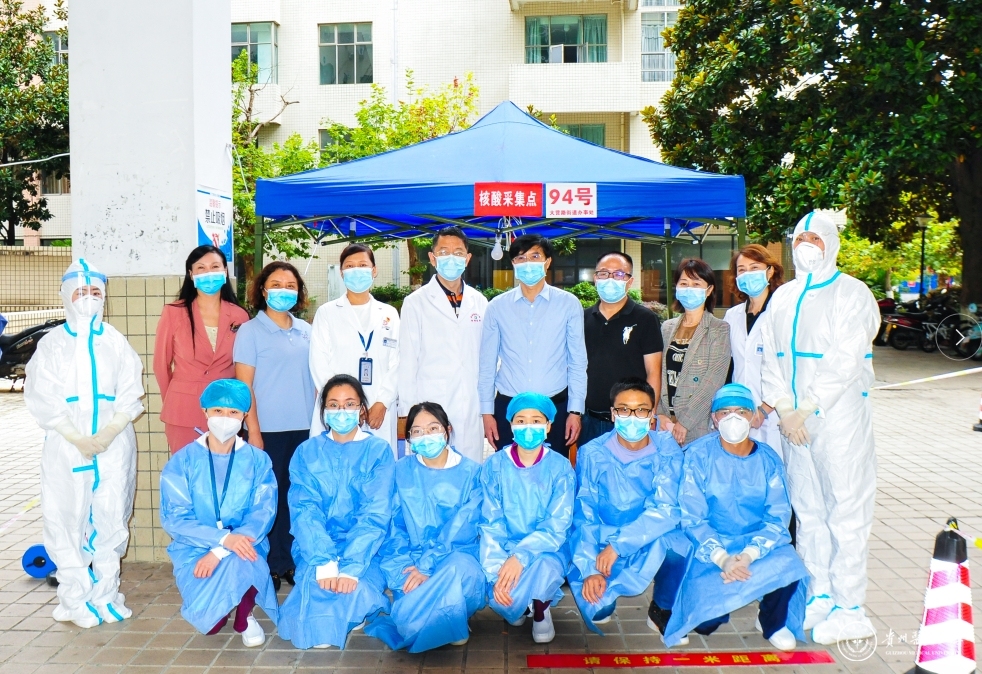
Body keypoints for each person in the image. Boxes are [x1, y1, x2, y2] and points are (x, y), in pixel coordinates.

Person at [760, 211, 880, 644]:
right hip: (794, 423)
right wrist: (785, 407)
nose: (806, 245)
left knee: (845, 510)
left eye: (815, 238)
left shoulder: (852, 293)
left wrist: (807, 407)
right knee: (808, 510)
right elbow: (769, 355)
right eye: (799, 238)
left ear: (831, 243)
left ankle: (850, 607)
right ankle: (820, 593)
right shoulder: (784, 296)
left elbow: (845, 359)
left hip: (837, 418)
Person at [24, 259, 144, 628]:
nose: (89, 298)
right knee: (66, 519)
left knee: (112, 518)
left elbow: (130, 390)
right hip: (66, 445)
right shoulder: (52, 344)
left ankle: (106, 594)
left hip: (114, 445)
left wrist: (110, 431)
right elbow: (41, 394)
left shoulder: (115, 341)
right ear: (66, 296)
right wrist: (75, 436)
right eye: (81, 292)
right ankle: (74, 599)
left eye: (95, 292)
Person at [662, 384, 808, 651]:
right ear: (714, 418)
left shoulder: (768, 460)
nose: (733, 418)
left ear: (753, 417)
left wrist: (749, 554)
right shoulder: (697, 456)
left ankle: (771, 621)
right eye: (725, 412)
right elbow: (692, 518)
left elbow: (777, 517)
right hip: (709, 548)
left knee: (789, 564)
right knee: (706, 624)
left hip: (756, 545)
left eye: (741, 411)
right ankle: (726, 594)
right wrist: (723, 558)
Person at [278, 375, 395, 650]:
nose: (342, 411)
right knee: (318, 588)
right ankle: (341, 612)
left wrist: (351, 567)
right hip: (316, 546)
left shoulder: (378, 451)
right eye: (334, 404)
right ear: (324, 411)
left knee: (352, 587)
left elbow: (375, 513)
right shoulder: (307, 452)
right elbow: (304, 510)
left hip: (368, 550)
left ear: (361, 409)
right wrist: (324, 561)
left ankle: (354, 606)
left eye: (350, 404)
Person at [159, 379, 278, 647]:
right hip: (195, 547)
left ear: (244, 415)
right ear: (205, 411)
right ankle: (224, 605)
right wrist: (221, 540)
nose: (225, 418)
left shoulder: (257, 460)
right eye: (218, 410)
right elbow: (175, 518)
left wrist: (223, 549)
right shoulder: (182, 461)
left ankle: (245, 615)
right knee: (211, 626)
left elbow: (262, 513)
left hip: (246, 542)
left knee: (244, 558)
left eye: (233, 412)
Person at [569, 378, 689, 638]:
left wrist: (619, 546)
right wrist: (589, 569)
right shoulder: (592, 454)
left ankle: (661, 609)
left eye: (641, 410)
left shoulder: (667, 451)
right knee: (598, 609)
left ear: (652, 415)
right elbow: (584, 515)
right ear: (613, 414)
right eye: (624, 409)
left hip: (648, 538)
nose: (632, 417)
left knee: (678, 545)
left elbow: (666, 509)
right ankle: (604, 592)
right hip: (602, 540)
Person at [366, 402, 485, 652]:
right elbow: (393, 527)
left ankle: (447, 616)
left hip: (456, 557)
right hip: (410, 561)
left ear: (447, 430)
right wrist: (406, 566)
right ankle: (448, 617)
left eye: (433, 428)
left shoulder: (473, 473)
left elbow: (462, 529)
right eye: (417, 431)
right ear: (409, 438)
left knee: (460, 573)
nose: (426, 436)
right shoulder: (400, 471)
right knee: (409, 620)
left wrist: (427, 566)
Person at [234, 261, 315, 591]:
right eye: (277, 285)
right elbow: (245, 386)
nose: (284, 291)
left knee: (298, 497)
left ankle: (292, 559)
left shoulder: (307, 330)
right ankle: (272, 563)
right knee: (271, 498)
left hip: (306, 428)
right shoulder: (250, 331)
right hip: (268, 430)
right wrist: (253, 430)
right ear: (263, 290)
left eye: (291, 286)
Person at [479, 235, 587, 457]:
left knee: (553, 469)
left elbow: (578, 362)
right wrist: (487, 413)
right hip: (509, 407)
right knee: (509, 468)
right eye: (521, 258)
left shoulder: (568, 304)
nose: (528, 263)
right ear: (513, 264)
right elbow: (487, 364)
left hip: (555, 405)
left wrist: (575, 411)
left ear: (547, 262)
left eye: (535, 256)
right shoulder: (496, 307)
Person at [480, 392, 575, 644]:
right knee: (502, 597)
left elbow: (557, 526)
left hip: (547, 548)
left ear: (548, 426)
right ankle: (521, 605)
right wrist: (497, 570)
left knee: (544, 567)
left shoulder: (560, 468)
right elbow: (490, 522)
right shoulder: (494, 466)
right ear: (510, 425)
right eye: (520, 421)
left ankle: (541, 609)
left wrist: (521, 557)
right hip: (504, 548)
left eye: (536, 421)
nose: (528, 427)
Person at [398, 227, 489, 463]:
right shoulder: (415, 303)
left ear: (467, 259)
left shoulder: (480, 302)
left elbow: (488, 357)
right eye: (444, 252)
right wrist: (408, 412)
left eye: (458, 253)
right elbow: (407, 360)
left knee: (469, 469)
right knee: (430, 469)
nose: (451, 258)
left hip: (471, 404)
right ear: (432, 258)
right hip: (430, 403)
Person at [154, 245, 249, 453]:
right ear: (191, 274)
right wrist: (174, 399)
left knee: (224, 467)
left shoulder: (239, 315)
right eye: (201, 268)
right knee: (187, 468)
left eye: (215, 267)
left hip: (227, 409)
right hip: (183, 409)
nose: (209, 273)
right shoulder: (173, 312)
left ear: (225, 271)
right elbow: (161, 365)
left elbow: (244, 367)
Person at [309, 244, 400, 452]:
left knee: (377, 462)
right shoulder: (327, 313)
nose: (356, 270)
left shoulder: (389, 314)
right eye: (350, 266)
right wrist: (345, 405)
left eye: (363, 265)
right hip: (338, 409)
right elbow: (319, 363)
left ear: (374, 271)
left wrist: (382, 402)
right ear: (341, 273)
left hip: (379, 409)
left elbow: (398, 362)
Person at [581, 252, 664, 445]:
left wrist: (649, 414)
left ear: (629, 281)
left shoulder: (645, 319)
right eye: (604, 273)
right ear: (595, 278)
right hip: (589, 419)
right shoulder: (582, 318)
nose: (610, 279)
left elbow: (653, 371)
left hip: (630, 420)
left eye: (618, 274)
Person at [656, 258, 730, 445]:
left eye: (696, 284)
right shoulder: (667, 327)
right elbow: (658, 372)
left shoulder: (719, 329)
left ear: (709, 290)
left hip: (697, 424)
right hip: (665, 423)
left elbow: (713, 381)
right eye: (684, 283)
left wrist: (685, 422)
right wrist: (660, 414)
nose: (689, 289)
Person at [723, 245, 785, 460]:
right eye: (742, 270)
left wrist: (765, 409)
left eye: (754, 267)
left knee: (774, 465)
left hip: (774, 413)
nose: (747, 274)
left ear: (770, 271)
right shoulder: (732, 316)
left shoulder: (781, 313)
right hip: (739, 410)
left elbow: (788, 368)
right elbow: (730, 366)